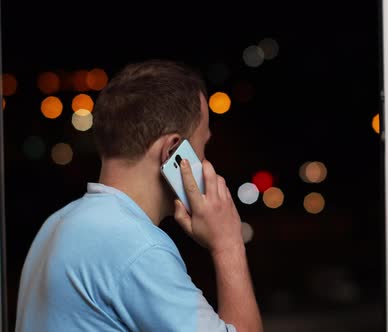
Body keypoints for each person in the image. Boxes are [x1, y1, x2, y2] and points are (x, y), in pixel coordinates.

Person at [15, 59, 263, 332]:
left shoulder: (56, 224)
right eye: (202, 145)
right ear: (172, 152)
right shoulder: (138, 247)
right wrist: (229, 244)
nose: (205, 164)